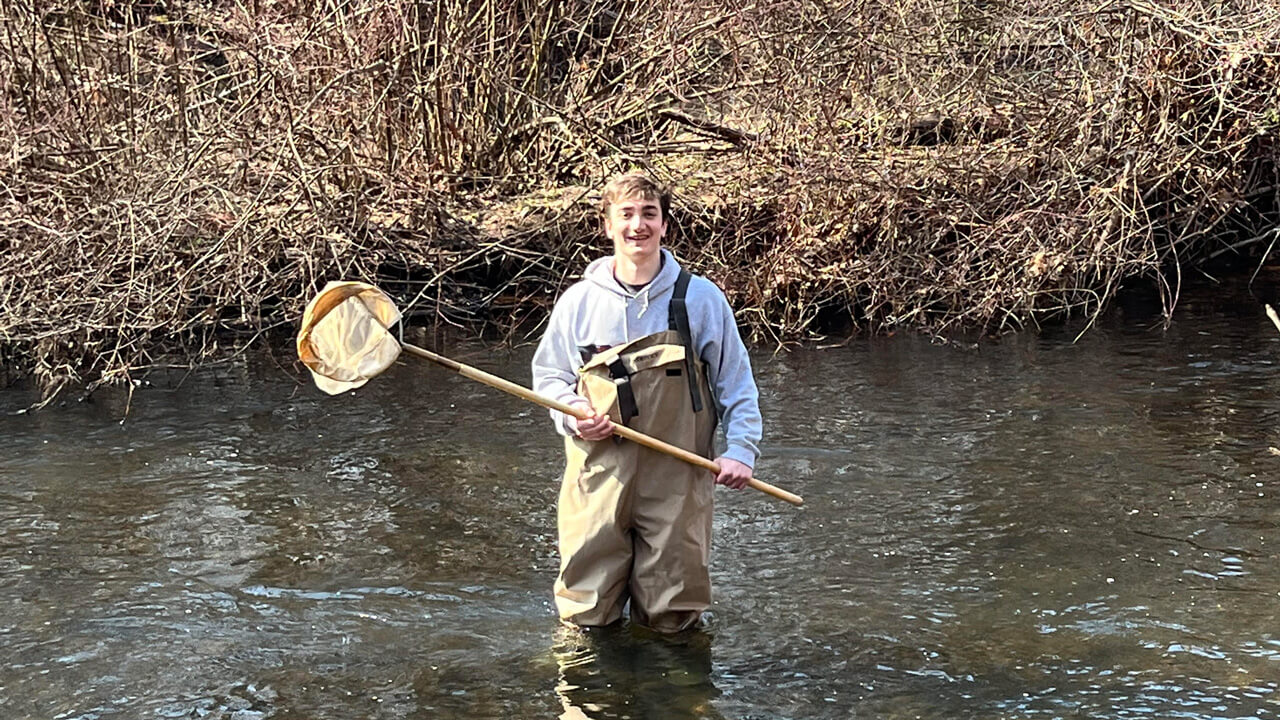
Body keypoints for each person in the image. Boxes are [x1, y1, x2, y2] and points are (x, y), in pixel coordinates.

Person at [531, 172, 762, 634]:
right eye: (627, 215)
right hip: (597, 477)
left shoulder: (700, 299)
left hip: (678, 480)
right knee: (584, 614)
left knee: (673, 618)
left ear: (664, 225)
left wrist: (741, 451)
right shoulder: (578, 303)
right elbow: (548, 377)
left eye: (649, 214)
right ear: (608, 226)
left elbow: (737, 384)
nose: (638, 225)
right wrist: (572, 417)